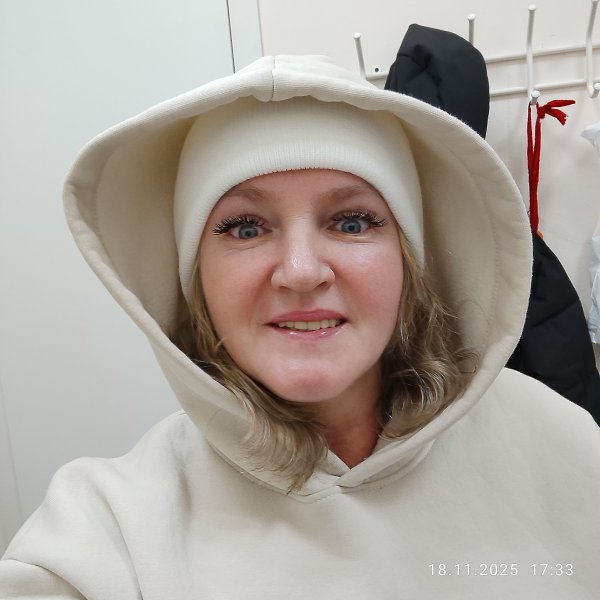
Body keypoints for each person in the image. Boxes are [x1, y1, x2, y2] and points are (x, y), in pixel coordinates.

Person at [1, 55, 599, 598]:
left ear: (408, 258)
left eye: (352, 221)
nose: (301, 271)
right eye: (245, 228)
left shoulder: (559, 442)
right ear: (196, 278)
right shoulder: (108, 531)